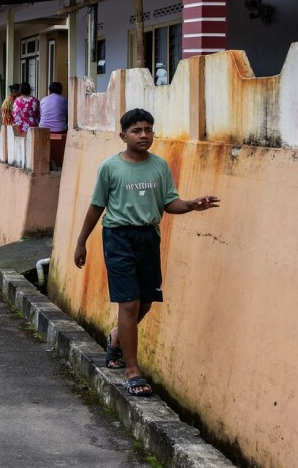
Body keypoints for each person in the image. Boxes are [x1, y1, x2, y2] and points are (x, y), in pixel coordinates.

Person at [73, 108, 220, 398]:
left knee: (146, 302)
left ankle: (116, 337)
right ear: (123, 135)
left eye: (148, 130)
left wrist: (192, 204)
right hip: (118, 237)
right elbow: (96, 207)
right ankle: (133, 372)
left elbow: (170, 204)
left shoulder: (159, 166)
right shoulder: (110, 168)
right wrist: (81, 242)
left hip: (148, 238)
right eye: (136, 130)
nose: (143, 135)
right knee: (128, 303)